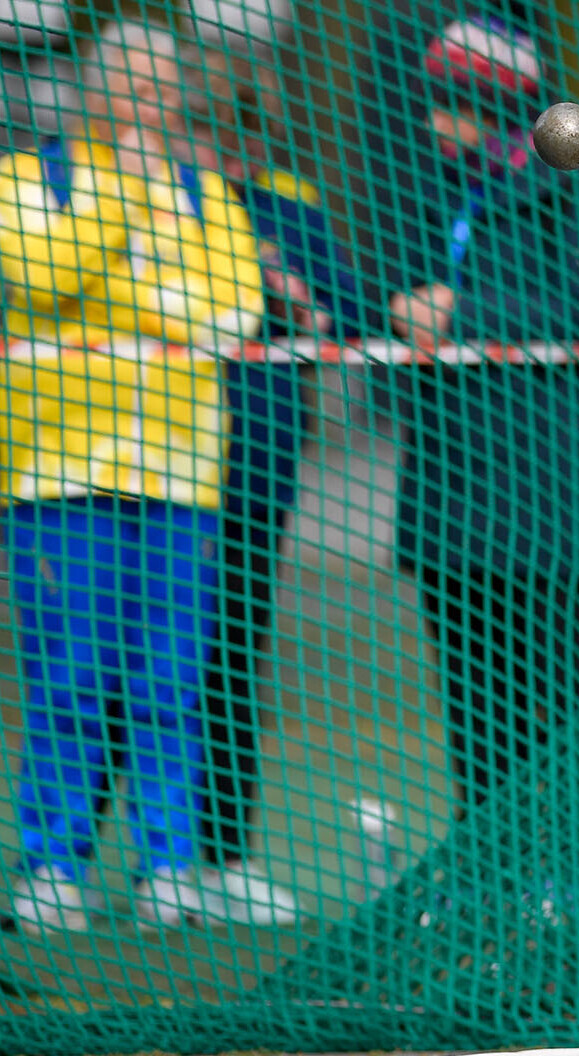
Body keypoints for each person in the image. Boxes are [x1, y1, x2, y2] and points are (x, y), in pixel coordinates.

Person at [355, 9, 579, 827]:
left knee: (570, 711)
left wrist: (462, 316)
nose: (433, 122)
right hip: (453, 500)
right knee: (479, 720)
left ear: (495, 105)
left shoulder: (576, 173)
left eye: (450, 104)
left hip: (553, 499)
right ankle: (498, 879)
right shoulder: (427, 187)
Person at [0, 19, 263, 933]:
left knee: (171, 681)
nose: (149, 98)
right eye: (131, 81)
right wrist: (124, 210)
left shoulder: (205, 191)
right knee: (69, 675)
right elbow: (42, 275)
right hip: (56, 473)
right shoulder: (29, 178)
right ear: (95, 87)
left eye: (162, 82)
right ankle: (52, 865)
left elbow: (234, 310)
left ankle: (169, 865)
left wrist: (134, 294)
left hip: (182, 474)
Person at [175, 46, 368, 925]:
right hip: (153, 468)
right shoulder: (151, 198)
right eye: (209, 130)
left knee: (227, 656)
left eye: (241, 133)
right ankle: (84, 860)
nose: (229, 150)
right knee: (120, 661)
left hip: (254, 468)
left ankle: (220, 857)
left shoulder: (287, 208)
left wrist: (298, 297)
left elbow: (350, 310)